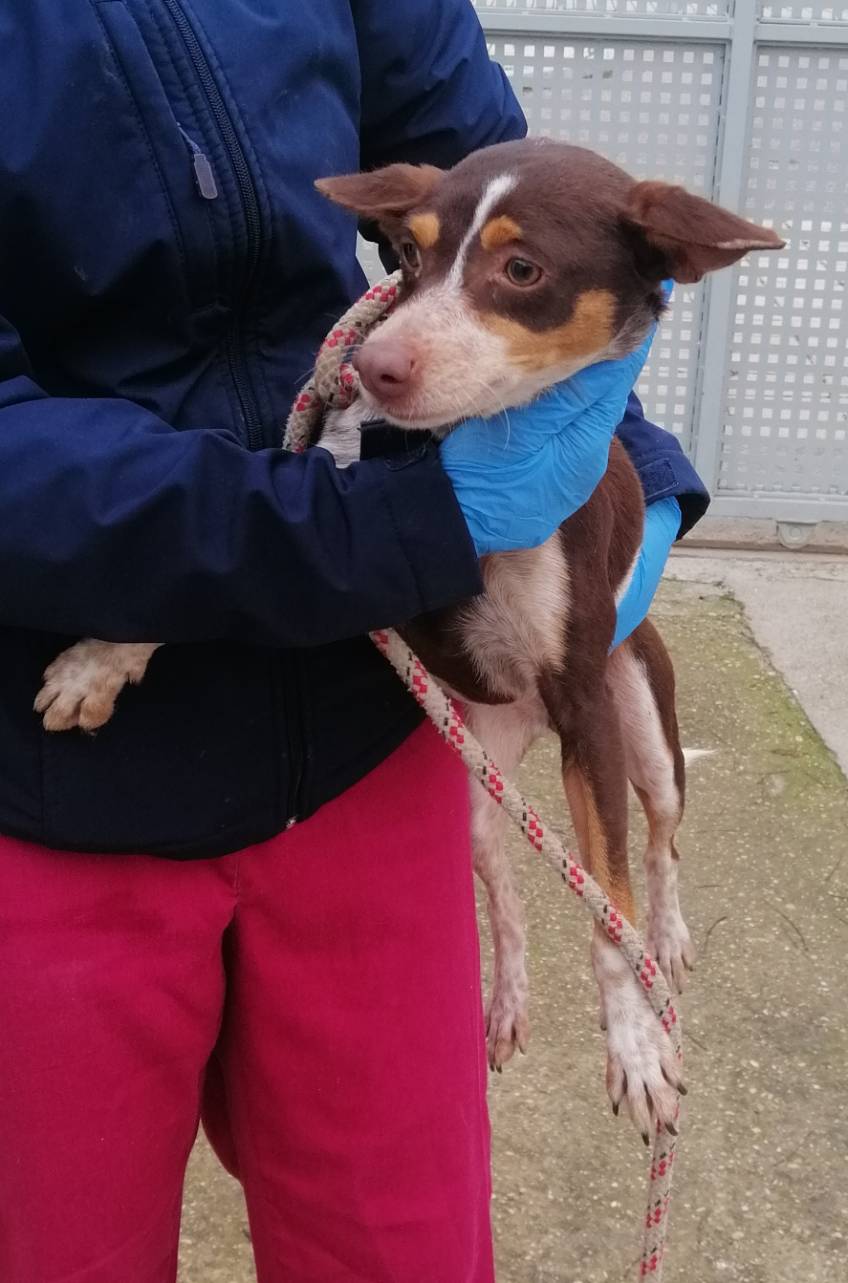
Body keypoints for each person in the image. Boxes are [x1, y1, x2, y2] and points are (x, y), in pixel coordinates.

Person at [0, 3, 709, 1281]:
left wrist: (629, 465)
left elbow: (522, 203)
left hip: (370, 736)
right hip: (55, 787)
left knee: (400, 1250)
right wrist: (372, 532)